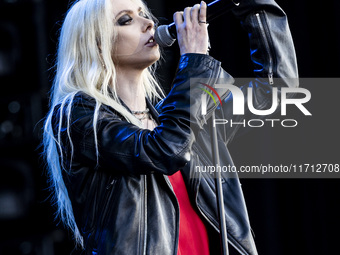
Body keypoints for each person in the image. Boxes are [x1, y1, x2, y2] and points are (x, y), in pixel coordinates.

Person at [42, 0, 298, 254]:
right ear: (97, 45)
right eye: (127, 19)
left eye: (143, 13)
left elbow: (278, 92)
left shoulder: (187, 120)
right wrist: (195, 61)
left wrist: (256, 6)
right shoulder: (77, 116)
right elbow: (164, 149)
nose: (149, 23)